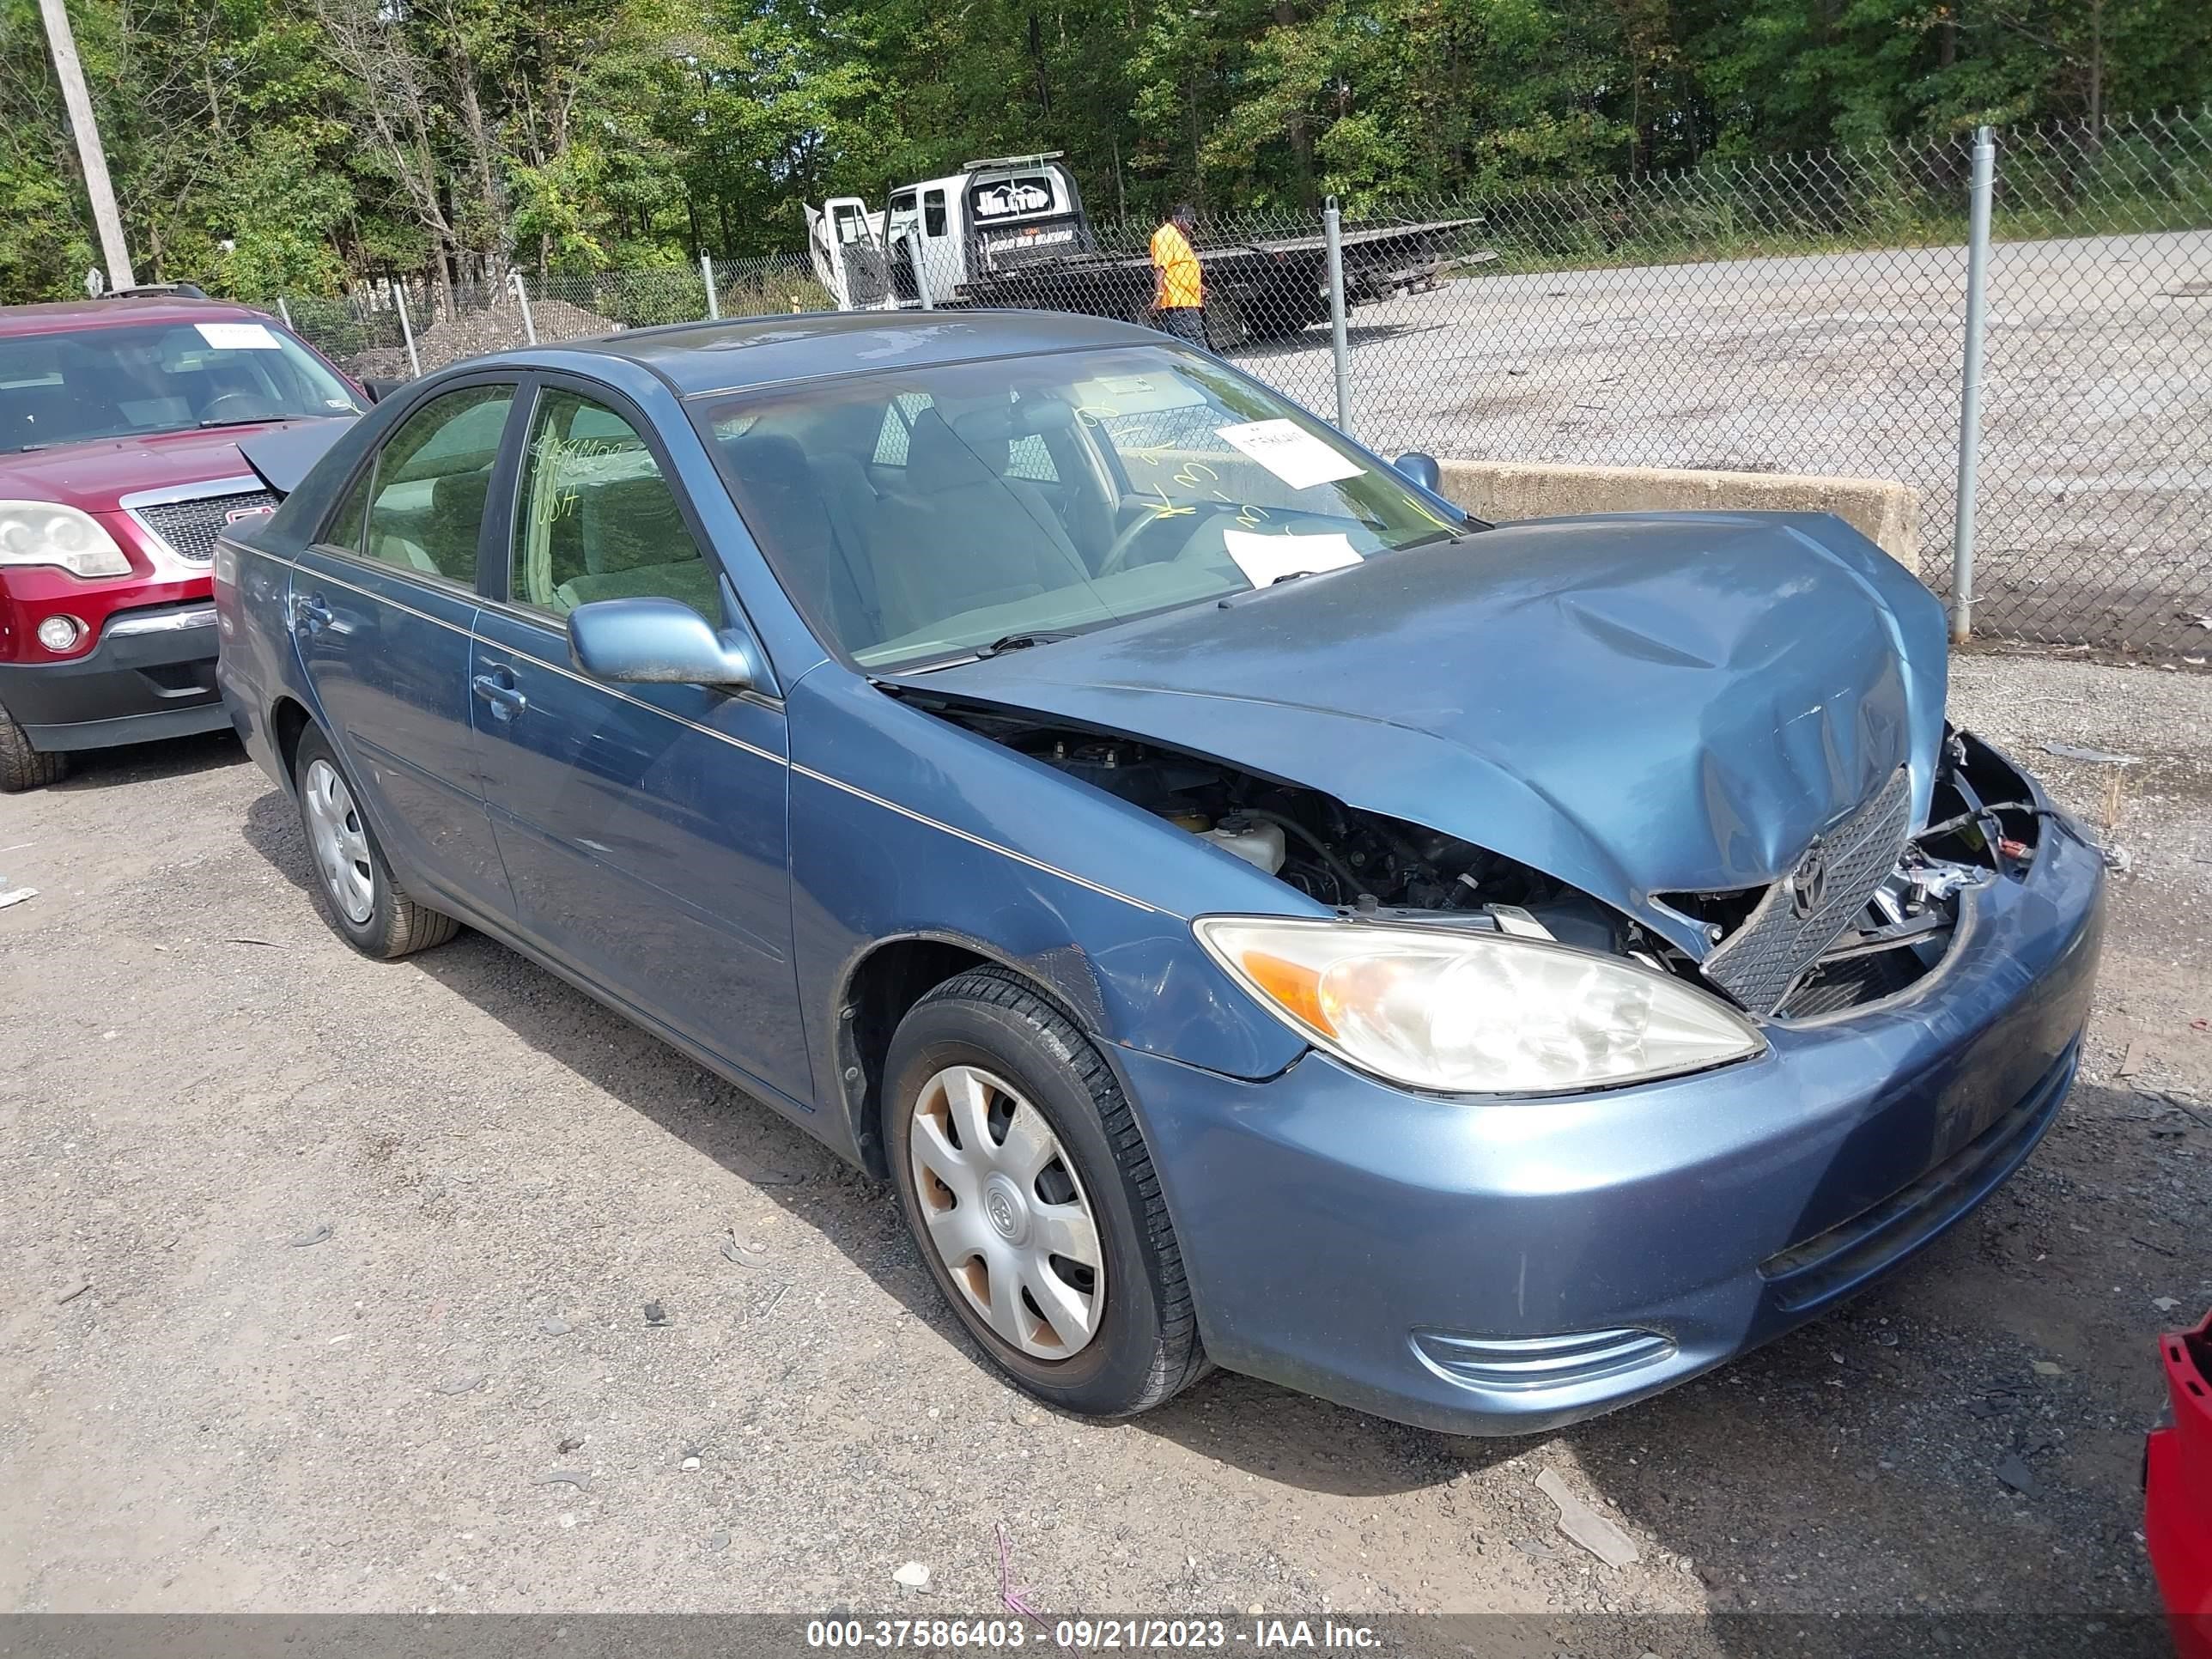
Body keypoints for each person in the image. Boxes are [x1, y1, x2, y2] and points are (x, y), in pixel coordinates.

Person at [1149, 204, 1206, 347]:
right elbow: (1161, 267)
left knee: (1192, 347)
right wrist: (1159, 295)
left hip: (1188, 302)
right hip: (1179, 304)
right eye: (1189, 222)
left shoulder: (1179, 237)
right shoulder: (1164, 236)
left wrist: (1199, 286)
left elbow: (1182, 266)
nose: (1192, 226)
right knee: (1195, 348)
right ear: (1178, 219)